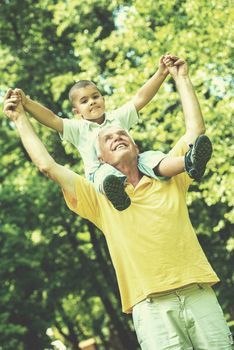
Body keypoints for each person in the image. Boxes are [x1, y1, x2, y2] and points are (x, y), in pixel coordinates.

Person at [4, 58, 233, 350]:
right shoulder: (98, 198)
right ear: (99, 157)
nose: (116, 136)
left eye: (122, 134)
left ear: (136, 146)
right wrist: (21, 117)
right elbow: (47, 165)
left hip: (198, 291)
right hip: (150, 306)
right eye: (108, 138)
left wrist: (181, 77)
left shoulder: (167, 177)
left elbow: (195, 132)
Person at [10, 54, 211, 211]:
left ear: (103, 99)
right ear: (77, 112)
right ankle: (117, 195)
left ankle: (189, 162)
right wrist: (27, 103)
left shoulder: (117, 118)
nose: (92, 102)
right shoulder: (77, 129)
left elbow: (141, 97)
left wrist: (161, 73)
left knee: (151, 158)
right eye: (85, 101)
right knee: (106, 176)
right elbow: (52, 119)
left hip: (135, 163)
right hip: (101, 171)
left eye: (95, 96)